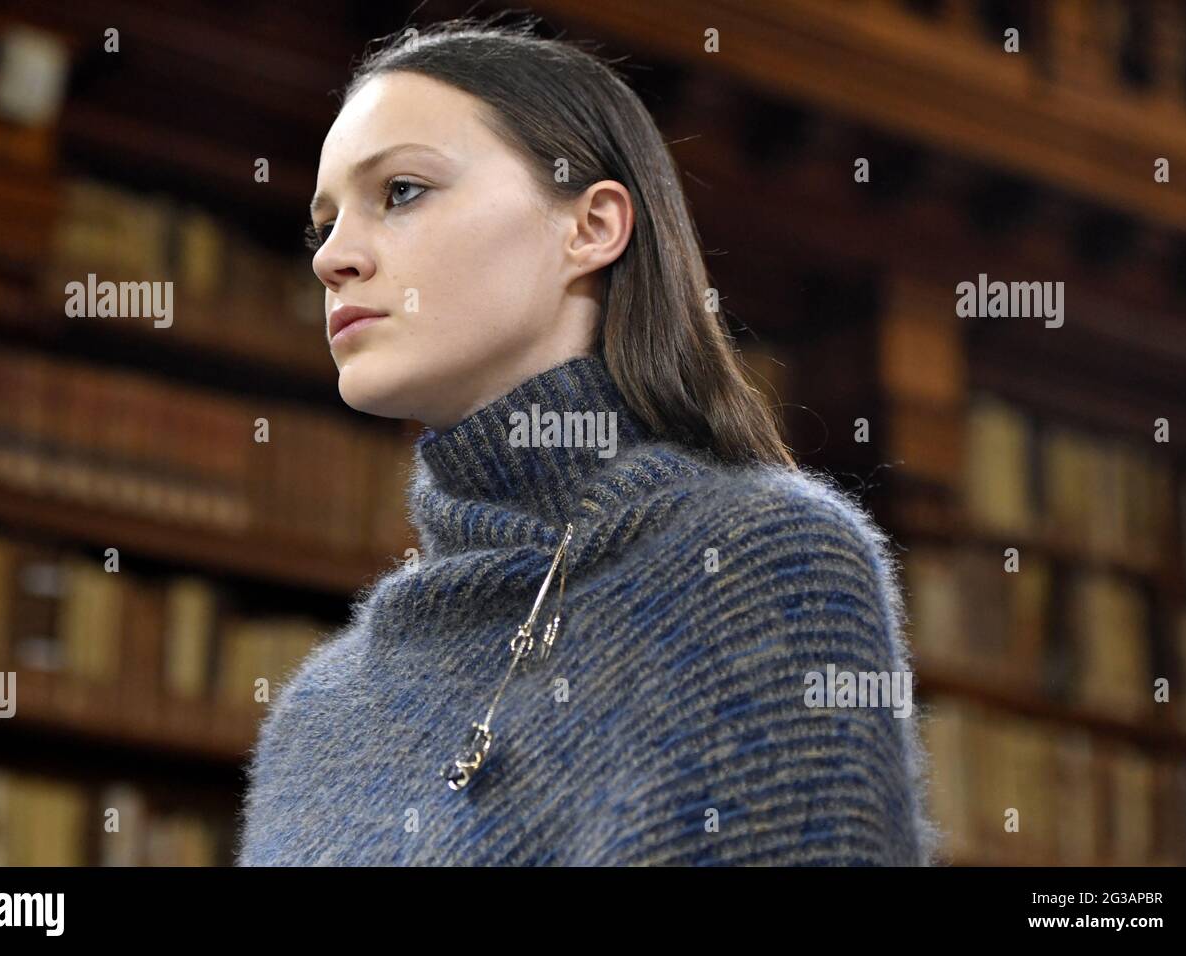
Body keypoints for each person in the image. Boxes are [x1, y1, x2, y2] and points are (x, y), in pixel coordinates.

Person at [237, 14, 939, 866]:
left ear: (591, 227)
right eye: (323, 224)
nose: (332, 258)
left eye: (402, 192)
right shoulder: (315, 717)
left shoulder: (768, 565)